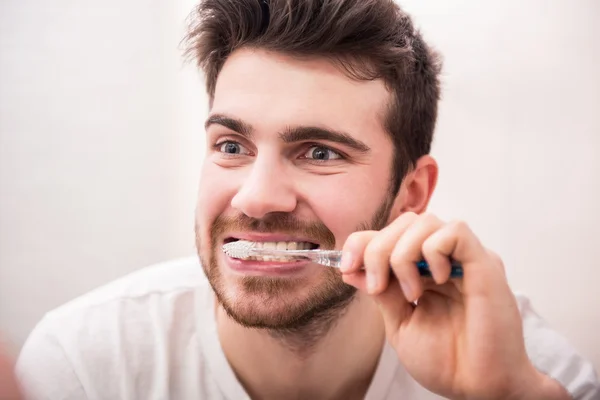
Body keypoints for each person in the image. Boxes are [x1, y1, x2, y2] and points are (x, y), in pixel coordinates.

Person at [15, 0, 599, 399]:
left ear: (410, 193)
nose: (257, 196)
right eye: (231, 144)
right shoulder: (84, 366)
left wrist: (514, 395)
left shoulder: (522, 362)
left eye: (319, 152)